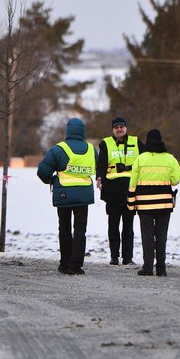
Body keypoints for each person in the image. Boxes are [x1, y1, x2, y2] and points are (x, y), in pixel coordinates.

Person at [37, 117, 97, 275]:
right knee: (80, 230)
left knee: (64, 229)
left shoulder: (58, 149)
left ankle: (64, 264)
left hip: (64, 194)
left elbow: (42, 172)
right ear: (83, 131)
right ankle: (76, 265)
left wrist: (52, 181)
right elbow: (99, 168)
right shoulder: (91, 149)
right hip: (83, 195)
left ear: (67, 131)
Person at [127, 129, 180, 277]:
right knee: (161, 236)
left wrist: (131, 203)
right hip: (164, 205)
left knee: (147, 237)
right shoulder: (170, 159)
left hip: (144, 205)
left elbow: (132, 183)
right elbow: (176, 180)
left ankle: (147, 268)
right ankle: (161, 268)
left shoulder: (140, 159)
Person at [96, 116, 144, 266]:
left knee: (128, 227)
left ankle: (128, 258)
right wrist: (99, 177)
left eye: (122, 126)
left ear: (126, 128)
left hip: (130, 190)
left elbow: (145, 160)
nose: (119, 129)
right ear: (113, 129)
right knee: (113, 226)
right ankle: (114, 257)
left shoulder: (136, 142)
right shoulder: (106, 143)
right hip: (112, 191)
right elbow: (101, 164)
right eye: (116, 127)